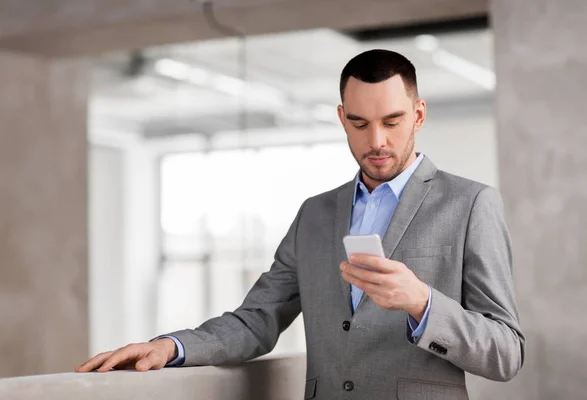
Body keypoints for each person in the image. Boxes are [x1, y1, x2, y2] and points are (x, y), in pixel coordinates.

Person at [77, 49, 525, 399]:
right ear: (341, 119)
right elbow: (257, 321)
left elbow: (506, 353)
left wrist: (422, 302)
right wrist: (171, 347)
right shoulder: (315, 213)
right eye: (359, 123)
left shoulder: (471, 203)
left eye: (392, 121)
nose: (377, 141)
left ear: (419, 115)